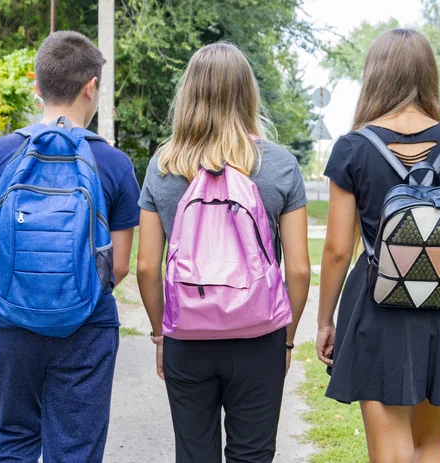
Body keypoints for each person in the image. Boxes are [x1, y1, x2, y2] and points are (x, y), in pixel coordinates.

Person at [316, 29, 440, 463]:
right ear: (429, 76)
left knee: (390, 449)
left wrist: (325, 321)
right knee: (429, 444)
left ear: (374, 77)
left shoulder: (353, 149)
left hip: (377, 307)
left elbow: (338, 250)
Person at [137, 42, 311, 463]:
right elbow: (301, 270)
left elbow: (145, 267)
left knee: (194, 455)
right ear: (248, 94)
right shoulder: (279, 165)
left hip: (188, 335)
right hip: (259, 336)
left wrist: (162, 335)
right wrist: (285, 341)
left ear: (188, 96)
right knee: (252, 455)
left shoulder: (163, 166)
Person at [0, 31, 141, 462]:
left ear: (37, 87)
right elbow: (118, 266)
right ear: (91, 87)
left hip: (9, 323)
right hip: (86, 325)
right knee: (77, 449)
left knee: (13, 440)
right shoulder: (115, 164)